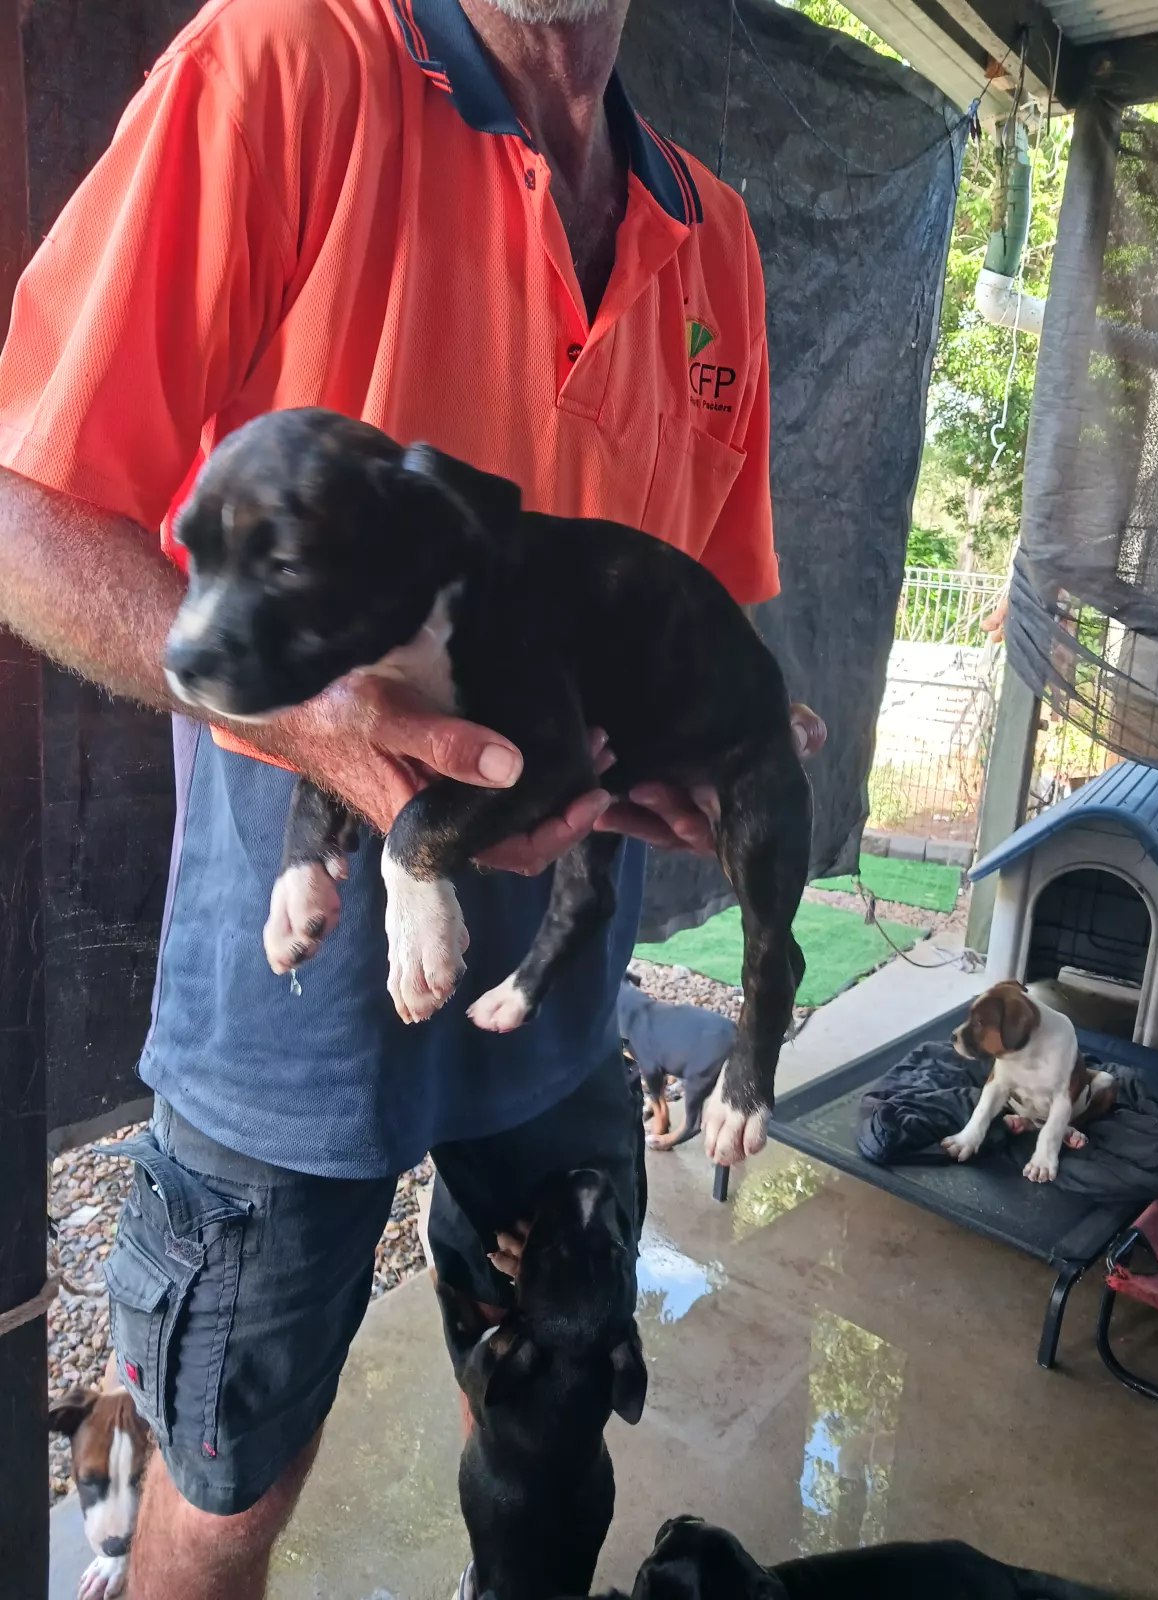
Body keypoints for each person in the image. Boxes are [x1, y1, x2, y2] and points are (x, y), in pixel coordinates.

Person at [0, 0, 823, 1595]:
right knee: (223, 1488)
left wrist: (729, 746)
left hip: (569, 965)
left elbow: (702, 596)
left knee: (549, 1415)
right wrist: (320, 738)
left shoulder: (707, 235)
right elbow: (24, 506)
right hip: (298, 933)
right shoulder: (287, 62)